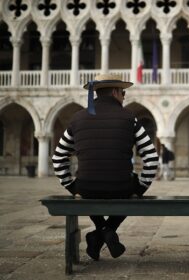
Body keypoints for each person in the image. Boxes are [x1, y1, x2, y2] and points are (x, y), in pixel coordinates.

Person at [52, 74, 159, 261]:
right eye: (123, 92)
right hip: (121, 187)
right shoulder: (129, 118)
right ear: (116, 92)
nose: (125, 96)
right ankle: (108, 230)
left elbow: (58, 157)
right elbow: (151, 156)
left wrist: (73, 187)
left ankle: (99, 234)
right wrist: (140, 188)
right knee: (127, 188)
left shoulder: (77, 119)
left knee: (91, 184)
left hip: (86, 187)